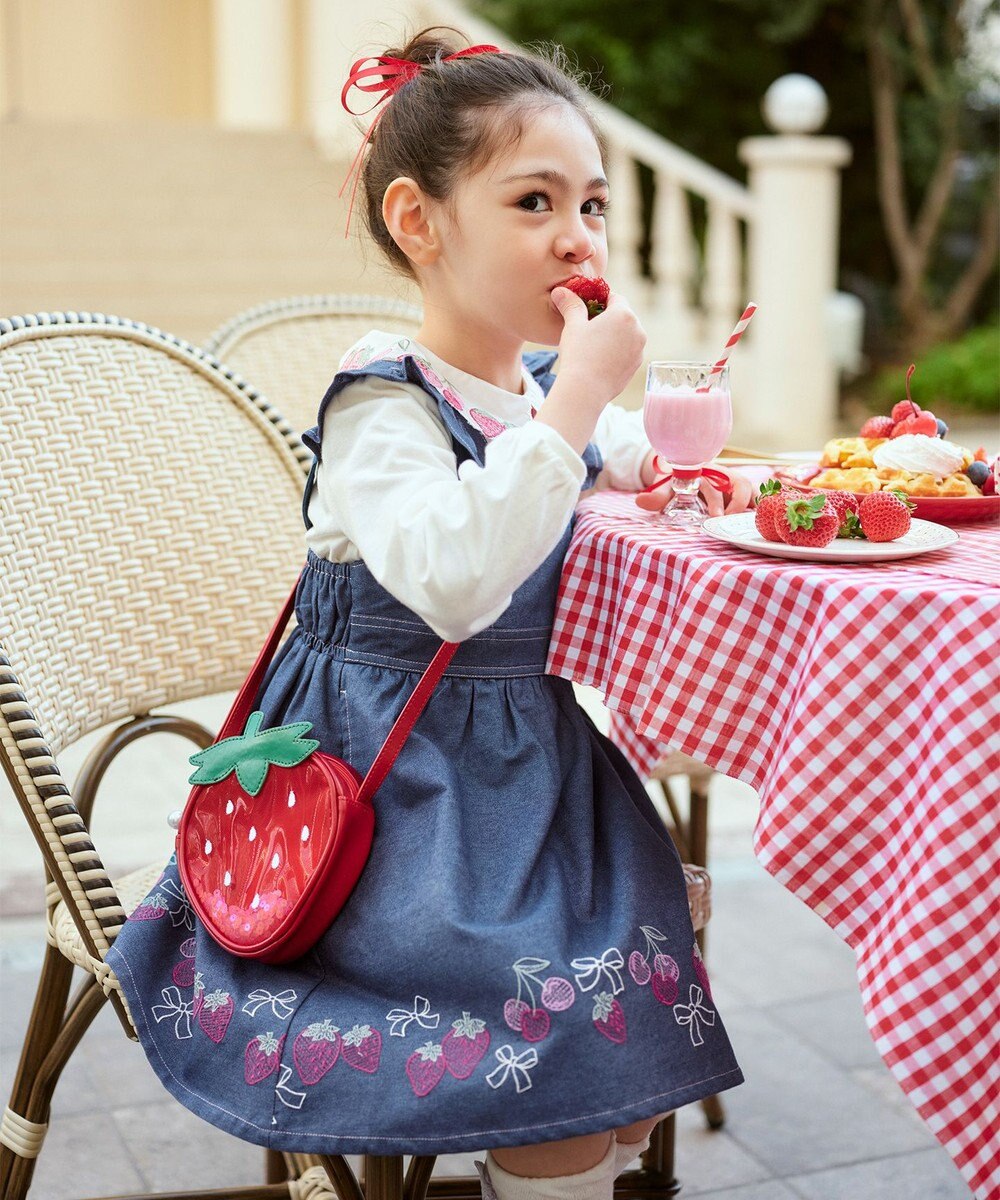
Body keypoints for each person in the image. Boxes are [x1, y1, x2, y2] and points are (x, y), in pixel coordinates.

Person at [107, 28, 749, 1200]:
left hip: (528, 779)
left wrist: (666, 465)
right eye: (534, 201)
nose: (578, 236)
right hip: (398, 802)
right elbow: (455, 581)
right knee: (559, 1064)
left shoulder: (539, 391)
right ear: (419, 223)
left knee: (612, 1066)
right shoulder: (382, 407)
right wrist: (578, 418)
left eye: (593, 206)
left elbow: (614, 465)